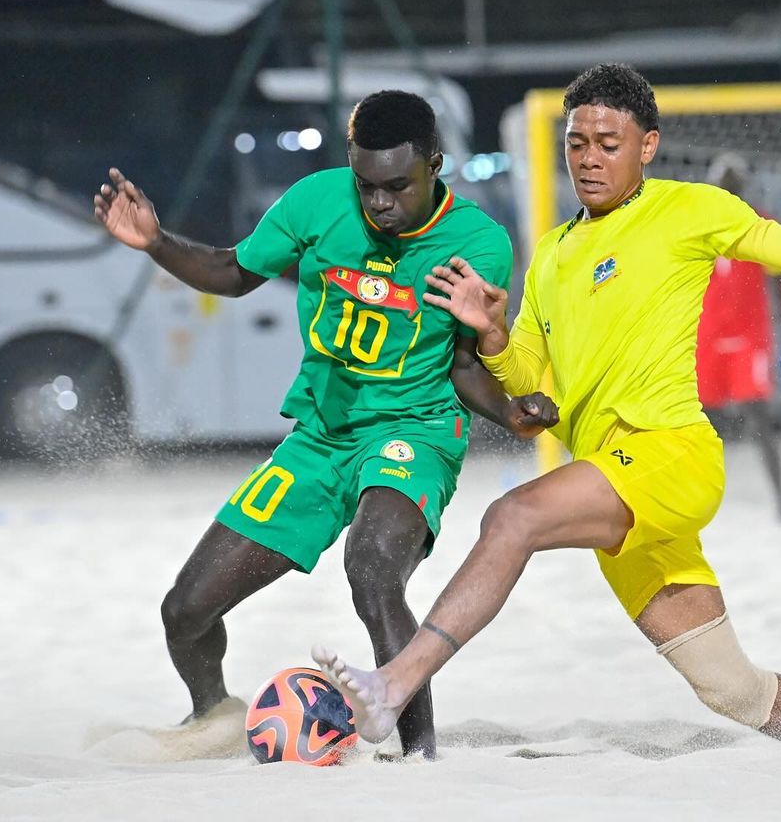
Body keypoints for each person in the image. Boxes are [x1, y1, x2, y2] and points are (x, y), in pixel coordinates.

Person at [313, 64, 781, 747]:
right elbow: (529, 373)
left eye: (608, 143)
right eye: (577, 142)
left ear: (647, 145)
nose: (588, 158)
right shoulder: (554, 252)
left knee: (513, 516)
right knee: (731, 689)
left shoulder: (691, 210)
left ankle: (394, 684)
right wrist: (492, 332)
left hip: (667, 451)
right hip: (615, 480)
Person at [92, 90, 557, 760]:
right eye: (367, 186)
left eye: (398, 186)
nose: (381, 203)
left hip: (415, 431)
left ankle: (420, 756)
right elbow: (230, 272)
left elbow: (462, 367)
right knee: (184, 613)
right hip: (320, 438)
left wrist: (512, 412)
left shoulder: (477, 242)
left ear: (436, 165)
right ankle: (215, 715)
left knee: (371, 565)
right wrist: (157, 242)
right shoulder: (315, 202)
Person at [696, 152, 781, 522]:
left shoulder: (762, 225)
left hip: (748, 338)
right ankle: (694, 504)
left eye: (734, 183)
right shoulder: (697, 227)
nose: (728, 189)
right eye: (723, 183)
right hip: (706, 336)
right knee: (696, 423)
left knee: (759, 419)